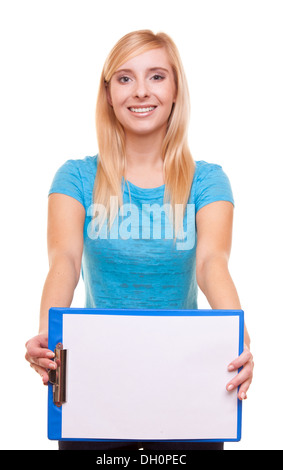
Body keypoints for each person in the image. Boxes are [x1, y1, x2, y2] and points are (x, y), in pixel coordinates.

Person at [25, 29, 254, 451]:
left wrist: (237, 336)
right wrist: (46, 332)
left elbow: (211, 264)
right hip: (96, 385)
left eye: (157, 76)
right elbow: (64, 261)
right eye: (125, 78)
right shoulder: (75, 177)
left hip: (188, 386)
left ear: (175, 91)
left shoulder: (208, 180)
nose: (141, 91)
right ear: (109, 93)